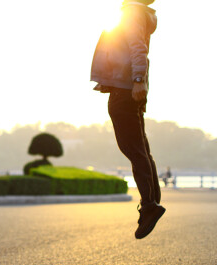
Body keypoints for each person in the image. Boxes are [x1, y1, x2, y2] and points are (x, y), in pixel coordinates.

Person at [90, 0, 165, 239]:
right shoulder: (138, 12)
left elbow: (137, 47)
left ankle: (150, 206)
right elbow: (133, 48)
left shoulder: (131, 11)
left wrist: (137, 79)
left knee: (132, 149)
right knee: (141, 148)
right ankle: (152, 199)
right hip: (129, 88)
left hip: (126, 89)